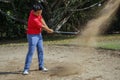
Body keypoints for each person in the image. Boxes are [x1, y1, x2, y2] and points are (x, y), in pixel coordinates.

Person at [23, 4, 53, 75]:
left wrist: (48, 28)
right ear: (34, 11)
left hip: (39, 35)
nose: (39, 14)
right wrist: (48, 30)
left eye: (40, 12)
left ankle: (41, 66)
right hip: (32, 36)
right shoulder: (33, 19)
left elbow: (41, 19)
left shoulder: (36, 12)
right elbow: (41, 26)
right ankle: (26, 69)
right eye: (38, 13)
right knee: (31, 52)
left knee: (41, 50)